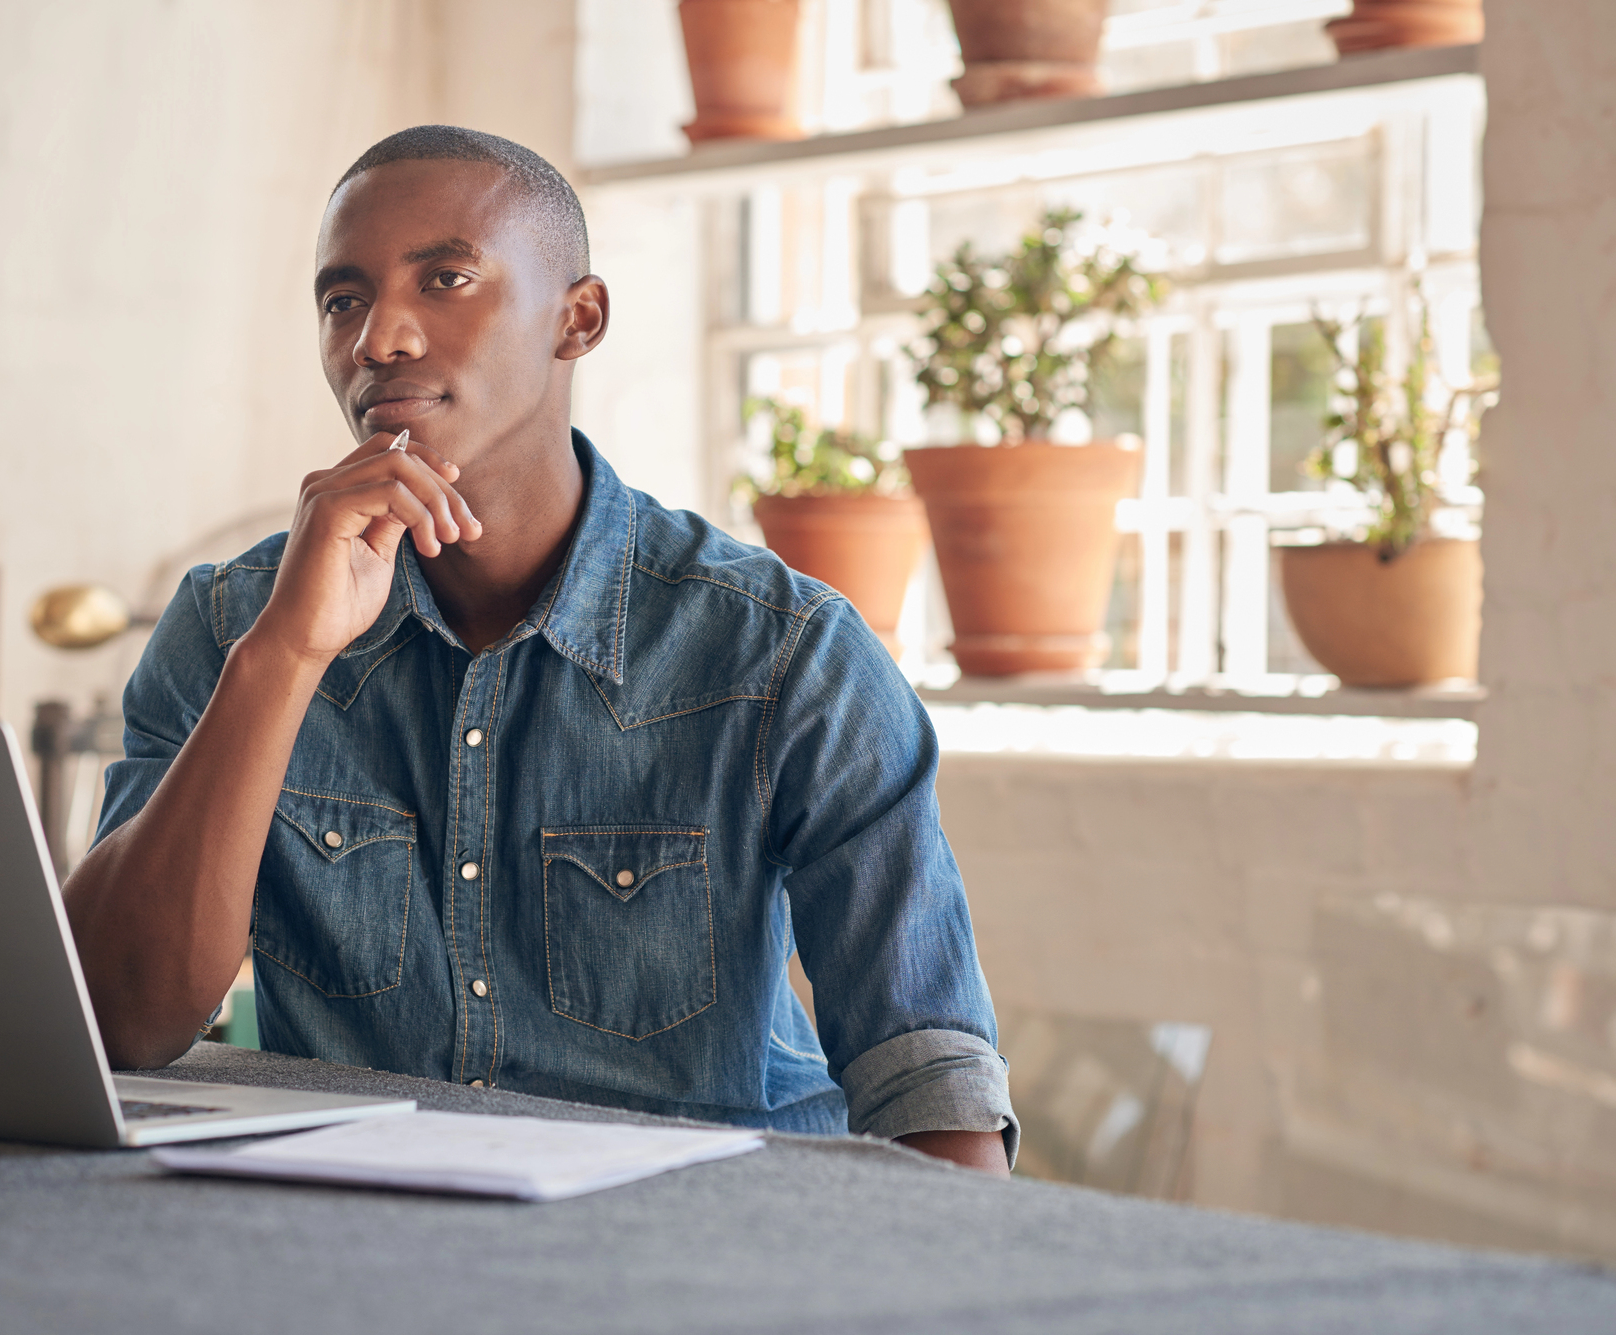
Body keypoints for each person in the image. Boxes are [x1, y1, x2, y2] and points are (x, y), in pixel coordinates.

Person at [63, 126, 1015, 1175]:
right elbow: (117, 1019)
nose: (379, 336)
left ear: (578, 319)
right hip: (350, 1247)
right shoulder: (230, 626)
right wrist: (283, 656)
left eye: (447, 278)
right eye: (342, 299)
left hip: (704, 1255)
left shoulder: (784, 655)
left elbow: (925, 1075)